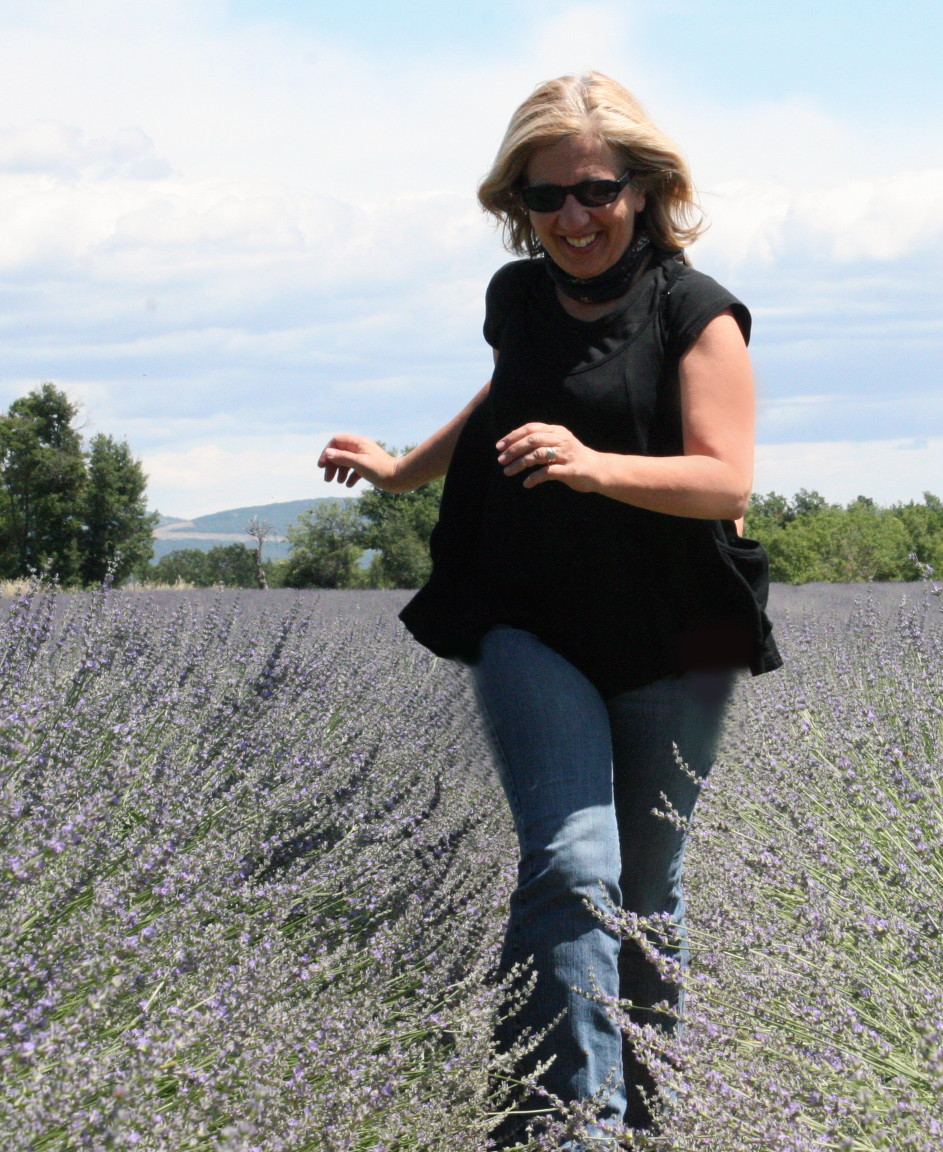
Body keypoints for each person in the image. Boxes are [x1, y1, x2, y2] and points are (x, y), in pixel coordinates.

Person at [315, 72, 781, 1146]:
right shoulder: (517, 300)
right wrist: (401, 472)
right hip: (530, 616)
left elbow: (726, 481)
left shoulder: (696, 313)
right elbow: (507, 395)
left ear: (647, 189)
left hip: (675, 627)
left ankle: (650, 1118)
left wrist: (592, 465)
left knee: (646, 897)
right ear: (516, 206)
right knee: (574, 864)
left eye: (596, 190)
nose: (572, 216)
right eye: (545, 197)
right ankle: (570, 1129)